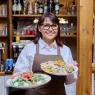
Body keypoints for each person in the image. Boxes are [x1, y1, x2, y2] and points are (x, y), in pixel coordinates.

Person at [10, 13, 78, 95]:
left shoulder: (65, 50)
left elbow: (69, 81)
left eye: (54, 26)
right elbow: (21, 73)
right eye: (46, 25)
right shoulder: (29, 48)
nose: (50, 29)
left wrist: (70, 69)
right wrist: (19, 76)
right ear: (39, 28)